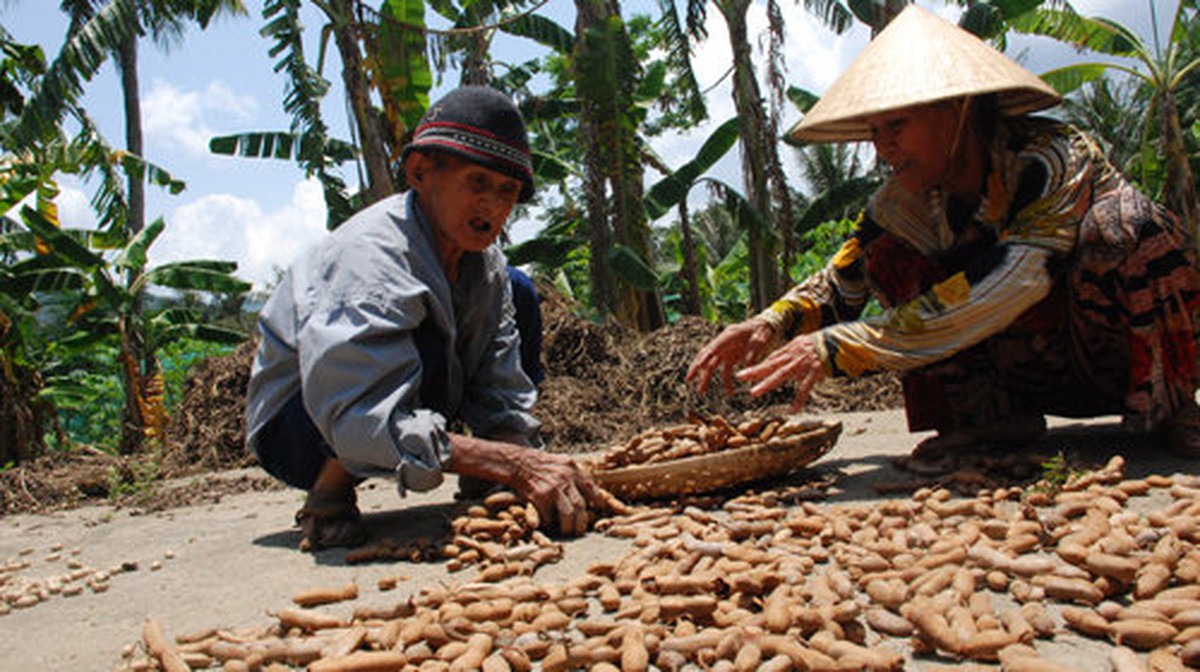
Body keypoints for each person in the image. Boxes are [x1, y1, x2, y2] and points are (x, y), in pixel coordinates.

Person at [688, 5, 1200, 459]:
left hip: (1108, 357)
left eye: (897, 125)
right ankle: (991, 416)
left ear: (958, 110)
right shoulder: (901, 205)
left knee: (1128, 226)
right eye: (874, 132)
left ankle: (1173, 404)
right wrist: (768, 325)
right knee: (887, 252)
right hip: (1029, 374)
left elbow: (1015, 280)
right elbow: (840, 284)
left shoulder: (1049, 162)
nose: (883, 148)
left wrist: (844, 346)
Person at [245, 86, 608, 551]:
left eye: (507, 191)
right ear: (420, 172)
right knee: (426, 326)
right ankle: (329, 492)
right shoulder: (373, 261)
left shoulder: (485, 267)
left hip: (397, 402)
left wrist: (513, 453)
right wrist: (515, 464)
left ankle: (484, 477)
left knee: (517, 287)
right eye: (477, 182)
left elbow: (500, 378)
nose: (493, 205)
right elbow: (360, 413)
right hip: (303, 427)